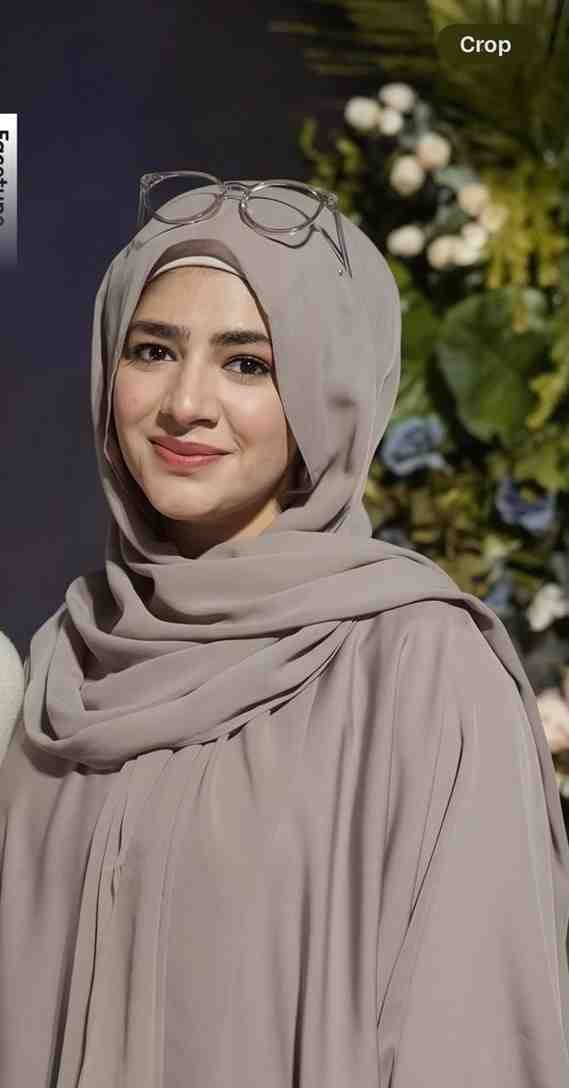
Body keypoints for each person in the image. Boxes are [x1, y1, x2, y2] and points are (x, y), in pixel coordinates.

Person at [1, 175, 568, 1087]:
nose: (185, 403)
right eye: (152, 350)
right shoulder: (63, 665)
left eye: (247, 364)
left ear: (327, 391)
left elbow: (475, 1045)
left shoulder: (418, 667)